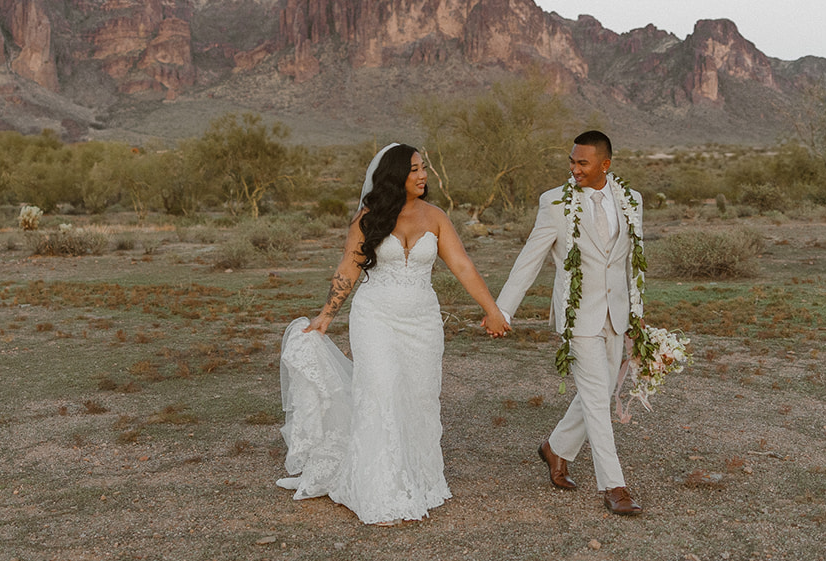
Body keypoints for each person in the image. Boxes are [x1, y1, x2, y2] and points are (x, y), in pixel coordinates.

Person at [276, 143, 509, 525]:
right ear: (394, 175)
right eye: (414, 169)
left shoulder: (435, 217)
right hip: (375, 318)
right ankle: (380, 492)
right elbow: (348, 270)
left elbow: (463, 266)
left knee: (418, 397)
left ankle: (418, 479)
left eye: (424, 168)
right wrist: (325, 317)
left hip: (422, 322)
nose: (422, 175)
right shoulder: (369, 217)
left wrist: (492, 310)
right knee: (380, 393)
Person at [493, 130, 647, 516]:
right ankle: (614, 486)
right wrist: (503, 310)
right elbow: (530, 259)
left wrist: (637, 315)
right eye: (572, 162)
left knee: (602, 388)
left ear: (605, 165)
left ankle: (555, 449)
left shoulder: (631, 200)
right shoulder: (555, 203)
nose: (574, 169)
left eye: (583, 163)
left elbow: (631, 263)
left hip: (617, 312)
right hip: (578, 315)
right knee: (597, 398)